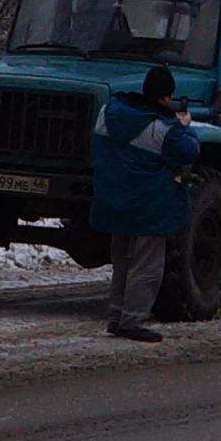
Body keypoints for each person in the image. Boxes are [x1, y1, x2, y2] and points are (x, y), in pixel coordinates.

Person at [91, 70, 211, 340]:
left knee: (121, 262)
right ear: (166, 96)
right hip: (149, 205)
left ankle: (116, 316)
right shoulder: (163, 128)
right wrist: (184, 126)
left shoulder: (108, 113)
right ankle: (132, 321)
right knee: (147, 266)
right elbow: (189, 151)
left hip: (114, 198)